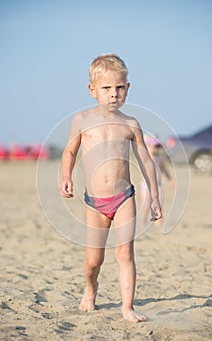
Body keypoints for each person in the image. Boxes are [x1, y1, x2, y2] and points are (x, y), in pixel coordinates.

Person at [59, 53, 162, 323]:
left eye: (119, 88)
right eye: (106, 88)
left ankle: (127, 307)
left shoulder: (130, 124)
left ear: (128, 88)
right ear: (92, 90)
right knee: (94, 260)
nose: (113, 94)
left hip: (124, 197)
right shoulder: (82, 120)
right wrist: (66, 175)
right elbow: (69, 152)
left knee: (125, 253)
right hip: (95, 202)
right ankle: (91, 288)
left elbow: (146, 162)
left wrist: (154, 197)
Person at [139, 134, 175, 226]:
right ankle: (142, 223)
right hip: (146, 186)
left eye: (155, 146)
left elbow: (165, 171)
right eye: (150, 146)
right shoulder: (145, 158)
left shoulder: (160, 158)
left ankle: (158, 225)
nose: (153, 149)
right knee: (146, 206)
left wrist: (171, 181)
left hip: (158, 185)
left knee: (158, 206)